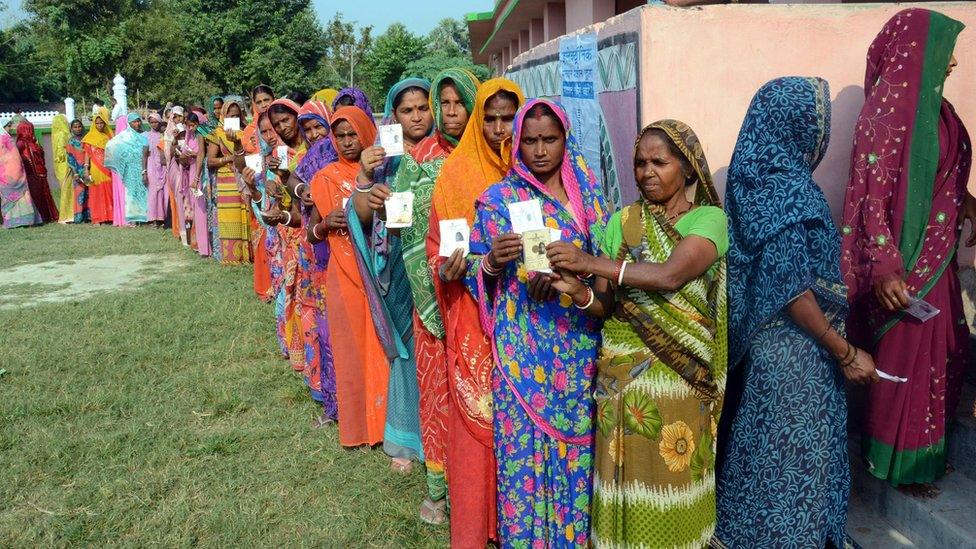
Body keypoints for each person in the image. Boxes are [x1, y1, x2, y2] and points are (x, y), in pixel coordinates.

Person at [538, 119, 726, 546]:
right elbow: (606, 304)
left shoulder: (709, 219)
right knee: (623, 489)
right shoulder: (623, 222)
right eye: (640, 162)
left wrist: (591, 263)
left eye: (660, 162)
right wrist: (579, 292)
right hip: (622, 382)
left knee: (672, 487)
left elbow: (670, 275)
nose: (647, 172)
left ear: (688, 168)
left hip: (678, 381)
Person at [716, 77, 879, 547]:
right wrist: (846, 353)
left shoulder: (752, 183)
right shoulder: (789, 191)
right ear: (796, 127)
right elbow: (793, 292)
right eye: (815, 122)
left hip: (766, 351)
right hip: (799, 357)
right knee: (793, 472)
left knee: (762, 462)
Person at [840, 8, 973, 498]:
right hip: (902, 261)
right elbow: (871, 194)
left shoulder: (939, 111)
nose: (954, 62)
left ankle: (924, 456)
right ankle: (893, 464)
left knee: (942, 357)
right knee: (906, 357)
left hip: (938, 255)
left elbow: (946, 167)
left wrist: (969, 202)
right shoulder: (886, 111)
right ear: (919, 49)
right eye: (946, 48)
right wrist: (884, 264)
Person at [467, 99, 608, 547]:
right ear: (516, 145)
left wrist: (575, 276)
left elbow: (609, 261)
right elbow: (473, 264)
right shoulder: (497, 200)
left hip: (577, 348)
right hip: (522, 354)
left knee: (577, 458)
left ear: (566, 139)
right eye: (529, 141)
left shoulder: (590, 197)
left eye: (550, 139)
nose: (540, 150)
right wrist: (491, 261)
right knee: (523, 458)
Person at [356, 68, 480, 524]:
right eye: (435, 104)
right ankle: (438, 482)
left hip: (477, 290)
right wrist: (370, 186)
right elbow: (386, 219)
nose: (439, 113)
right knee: (431, 384)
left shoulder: (482, 157)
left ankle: (481, 487)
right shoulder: (407, 160)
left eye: (451, 104)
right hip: (421, 284)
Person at [427, 77, 524, 547]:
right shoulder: (456, 174)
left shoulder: (534, 166)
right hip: (472, 311)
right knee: (474, 422)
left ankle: (512, 525)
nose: (501, 128)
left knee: (519, 423)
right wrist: (447, 269)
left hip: (528, 316)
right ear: (478, 118)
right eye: (492, 118)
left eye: (509, 117)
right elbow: (437, 249)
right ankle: (472, 526)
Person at [349, 78, 433, 475]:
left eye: (422, 108)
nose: (417, 117)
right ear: (393, 116)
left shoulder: (445, 154)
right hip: (398, 267)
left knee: (435, 348)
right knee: (407, 350)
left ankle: (439, 435)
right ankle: (405, 435)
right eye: (406, 111)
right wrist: (367, 181)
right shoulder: (385, 160)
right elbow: (360, 216)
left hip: (435, 266)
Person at [308, 106, 390, 450]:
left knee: (382, 346)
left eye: (352, 134)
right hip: (343, 274)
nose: (346, 142)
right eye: (339, 136)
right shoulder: (325, 177)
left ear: (366, 132)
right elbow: (312, 233)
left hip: (381, 269)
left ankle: (387, 425)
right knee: (351, 347)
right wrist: (326, 224)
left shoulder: (385, 170)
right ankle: (358, 426)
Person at [207, 98, 251, 263]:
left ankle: (248, 254)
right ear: (224, 115)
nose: (233, 119)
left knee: (247, 215)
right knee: (231, 218)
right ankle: (232, 256)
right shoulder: (217, 133)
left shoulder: (247, 131)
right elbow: (210, 161)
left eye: (236, 115)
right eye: (230, 116)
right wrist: (231, 158)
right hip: (228, 181)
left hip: (246, 177)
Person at [105, 112, 150, 225]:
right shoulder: (124, 136)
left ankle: (145, 217)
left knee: (144, 191)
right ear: (129, 124)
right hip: (129, 168)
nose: (137, 123)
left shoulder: (145, 135)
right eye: (134, 122)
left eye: (138, 121)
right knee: (131, 193)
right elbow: (111, 146)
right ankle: (133, 220)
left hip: (142, 166)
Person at [15, 120, 58, 223]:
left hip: (41, 172)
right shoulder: (21, 143)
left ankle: (47, 216)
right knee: (35, 195)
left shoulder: (34, 142)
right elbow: (16, 158)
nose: (31, 131)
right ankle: (37, 218)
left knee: (44, 195)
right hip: (31, 173)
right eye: (29, 129)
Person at [0, 131, 41, 228]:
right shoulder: (7, 138)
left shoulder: (3, 138)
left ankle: (12, 222)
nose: (10, 128)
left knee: (9, 196)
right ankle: (28, 219)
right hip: (15, 171)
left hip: (6, 172)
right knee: (22, 195)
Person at [83, 107, 115, 224]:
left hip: (108, 167)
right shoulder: (89, 138)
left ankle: (110, 216)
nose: (100, 125)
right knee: (96, 192)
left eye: (102, 123)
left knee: (108, 190)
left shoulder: (109, 137)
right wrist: (86, 169)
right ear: (94, 124)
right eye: (97, 123)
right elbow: (87, 154)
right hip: (96, 168)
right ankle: (98, 217)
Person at [62, 119, 90, 223]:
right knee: (80, 194)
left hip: (89, 169)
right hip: (77, 171)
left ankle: (90, 216)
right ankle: (79, 218)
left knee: (90, 193)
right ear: (71, 129)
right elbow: (70, 158)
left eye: (79, 126)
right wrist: (75, 173)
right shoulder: (71, 141)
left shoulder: (87, 139)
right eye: (75, 127)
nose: (78, 129)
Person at [144, 112, 167, 226]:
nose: (154, 124)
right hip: (151, 166)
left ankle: (162, 217)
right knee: (153, 191)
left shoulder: (164, 135)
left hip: (163, 166)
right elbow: (144, 154)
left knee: (162, 191)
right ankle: (153, 219)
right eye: (151, 122)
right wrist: (144, 171)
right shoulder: (146, 136)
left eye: (156, 122)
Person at [51, 114, 74, 224]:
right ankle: (66, 215)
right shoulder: (63, 134)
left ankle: (68, 214)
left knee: (65, 189)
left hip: (60, 166)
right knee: (67, 190)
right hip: (66, 165)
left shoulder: (55, 135)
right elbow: (61, 152)